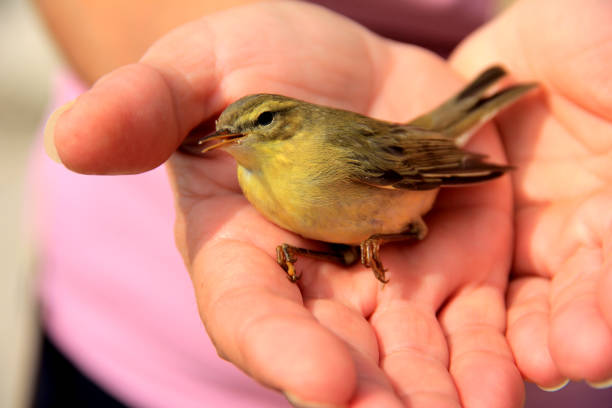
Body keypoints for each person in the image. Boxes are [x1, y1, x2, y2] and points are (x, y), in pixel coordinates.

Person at [34, 0, 612, 406]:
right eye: (229, 133)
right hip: (117, 345)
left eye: (258, 125)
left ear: (288, 123)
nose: (236, 140)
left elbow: (410, 162)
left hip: (427, 179)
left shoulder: (331, 157)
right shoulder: (254, 181)